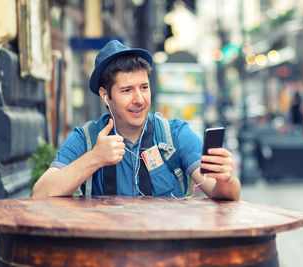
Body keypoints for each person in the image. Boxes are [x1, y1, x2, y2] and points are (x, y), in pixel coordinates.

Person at [32, 40, 241, 200]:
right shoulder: (87, 138)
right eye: (126, 90)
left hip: (167, 251)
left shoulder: (175, 134)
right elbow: (40, 193)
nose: (139, 100)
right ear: (106, 96)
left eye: (144, 87)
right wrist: (95, 157)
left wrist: (226, 179)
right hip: (108, 252)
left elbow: (222, 193)